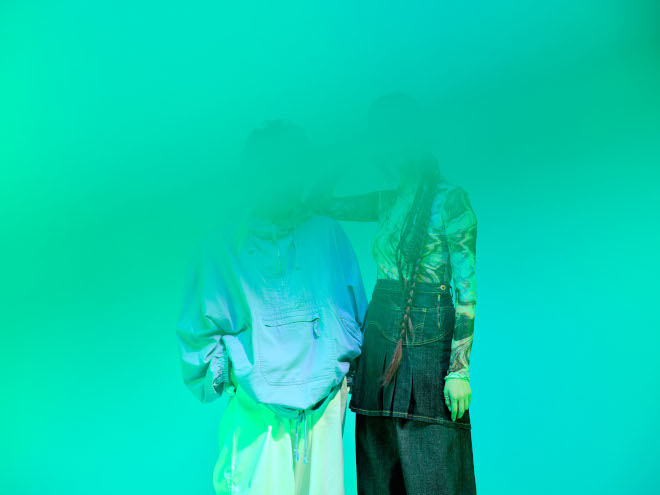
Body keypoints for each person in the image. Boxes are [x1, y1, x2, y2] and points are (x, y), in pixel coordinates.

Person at [176, 121, 368, 495]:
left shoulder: (326, 234)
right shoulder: (220, 246)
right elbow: (198, 334)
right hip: (257, 411)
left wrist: (341, 372)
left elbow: (352, 315)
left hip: (323, 409)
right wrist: (234, 373)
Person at [312, 94, 478, 494]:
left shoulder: (450, 199)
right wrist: (349, 153)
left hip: (428, 341)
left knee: (432, 466)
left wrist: (459, 370)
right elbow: (319, 202)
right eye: (380, 138)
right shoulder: (386, 201)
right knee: (378, 465)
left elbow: (466, 294)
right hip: (380, 338)